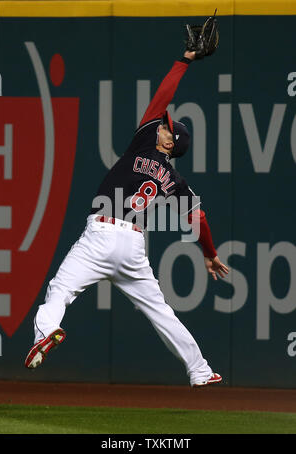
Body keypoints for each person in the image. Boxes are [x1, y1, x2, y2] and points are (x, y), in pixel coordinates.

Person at [24, 47, 229, 387]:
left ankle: (45, 334)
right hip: (133, 246)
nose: (161, 125)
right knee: (161, 312)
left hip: (101, 235)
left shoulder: (144, 145)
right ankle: (200, 371)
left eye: (166, 128)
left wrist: (185, 60)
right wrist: (209, 253)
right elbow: (199, 218)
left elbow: (163, 94)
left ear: (168, 141)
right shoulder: (175, 180)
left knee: (59, 290)